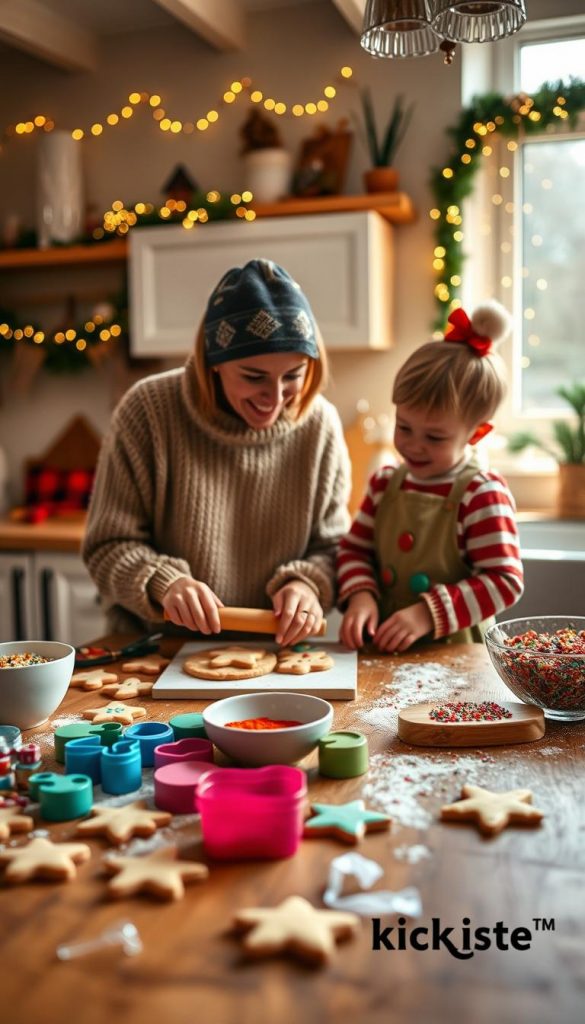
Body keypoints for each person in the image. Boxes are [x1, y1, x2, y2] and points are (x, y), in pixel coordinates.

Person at [83, 259, 350, 646]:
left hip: (277, 654)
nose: (275, 398)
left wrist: (308, 584)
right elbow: (107, 547)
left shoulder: (321, 424)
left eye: (293, 375)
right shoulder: (147, 410)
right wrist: (164, 582)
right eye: (254, 377)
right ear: (214, 364)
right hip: (154, 648)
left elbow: (333, 548)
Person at [337, 300, 524, 652]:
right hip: (385, 649)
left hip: (459, 655)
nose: (413, 445)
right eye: (403, 427)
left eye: (435, 437)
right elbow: (353, 551)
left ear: (476, 434)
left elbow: (504, 581)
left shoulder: (480, 493)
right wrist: (361, 595)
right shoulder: (384, 483)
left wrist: (427, 613)